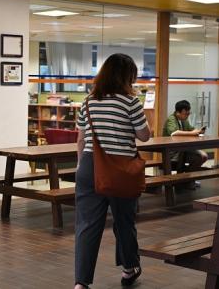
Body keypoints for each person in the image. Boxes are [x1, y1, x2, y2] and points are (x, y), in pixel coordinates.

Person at [74, 53, 150, 289]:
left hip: (89, 166)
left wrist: (81, 166)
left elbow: (81, 138)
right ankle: (129, 268)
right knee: (124, 221)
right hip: (121, 169)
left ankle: (81, 283)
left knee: (86, 225)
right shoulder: (130, 102)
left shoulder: (88, 101)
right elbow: (144, 136)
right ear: (128, 77)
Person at [162, 100, 208, 177]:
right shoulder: (171, 119)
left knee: (204, 156)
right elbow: (174, 133)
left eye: (188, 113)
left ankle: (186, 179)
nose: (187, 116)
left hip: (183, 149)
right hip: (172, 152)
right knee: (199, 158)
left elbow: (191, 129)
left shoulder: (183, 120)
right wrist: (192, 133)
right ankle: (186, 179)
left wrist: (199, 131)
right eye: (186, 114)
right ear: (178, 112)